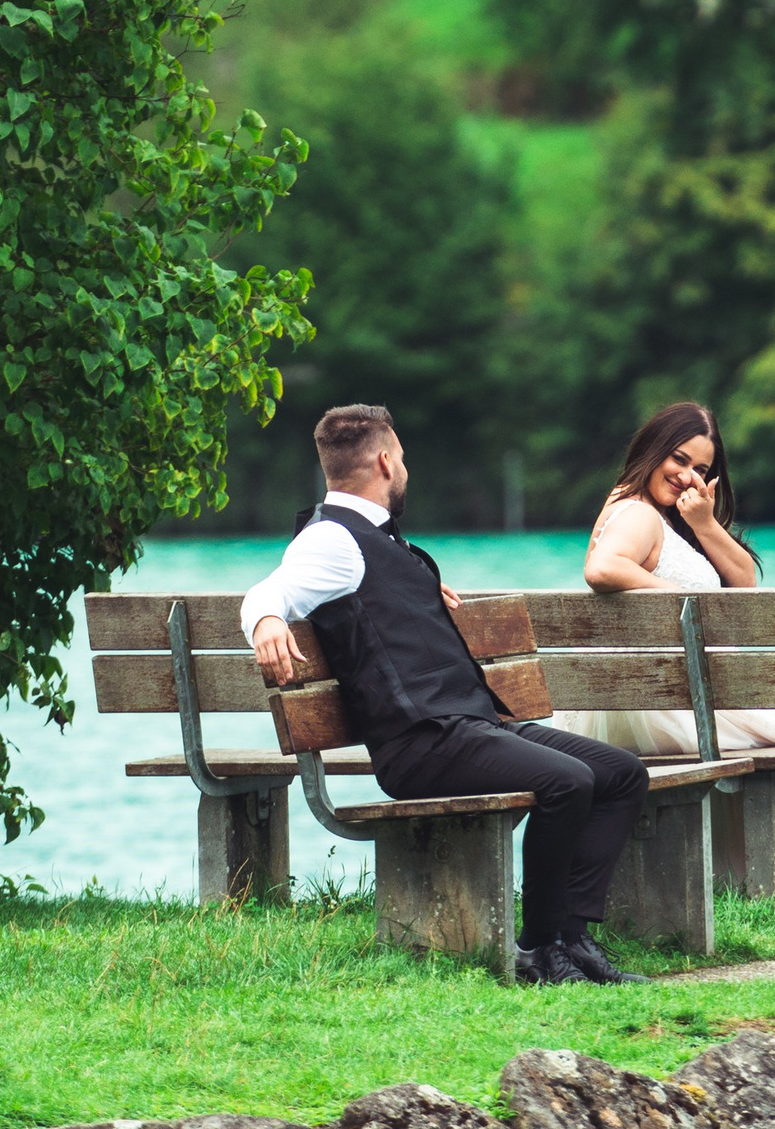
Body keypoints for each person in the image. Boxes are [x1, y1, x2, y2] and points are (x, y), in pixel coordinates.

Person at [243, 401, 651, 986]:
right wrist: (265, 622)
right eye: (402, 458)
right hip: (421, 745)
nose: (405, 469)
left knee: (621, 774)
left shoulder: (380, 543)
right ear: (385, 461)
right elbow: (268, 590)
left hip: (465, 728)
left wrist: (417, 584)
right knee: (568, 781)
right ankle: (538, 950)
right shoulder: (331, 541)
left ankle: (573, 938)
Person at [560, 399, 775, 915]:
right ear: (650, 450)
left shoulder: (658, 514)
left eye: (701, 469)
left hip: (659, 699)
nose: (687, 475)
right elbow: (602, 569)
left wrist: (706, 523)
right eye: (678, 459)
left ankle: (751, 887)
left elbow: (744, 584)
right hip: (664, 706)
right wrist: (678, 597)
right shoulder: (635, 514)